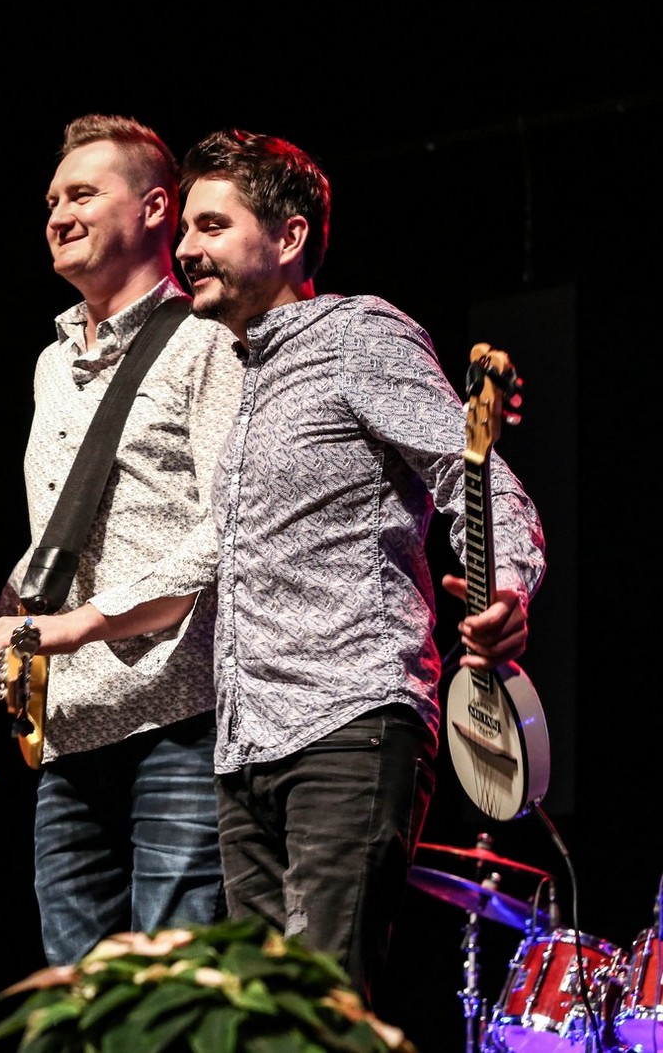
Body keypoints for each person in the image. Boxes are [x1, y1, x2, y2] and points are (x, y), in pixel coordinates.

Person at [171, 128, 546, 1002]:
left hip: (349, 718)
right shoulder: (245, 374)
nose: (186, 249)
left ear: (289, 237)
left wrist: (511, 580)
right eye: (186, 229)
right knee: (260, 1022)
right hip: (246, 744)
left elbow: (473, 470)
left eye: (212, 226)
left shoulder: (358, 335)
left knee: (322, 1010)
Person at [0, 113, 239, 967]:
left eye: (82, 193)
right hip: (69, 729)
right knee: (76, 994)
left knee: (169, 989)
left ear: (157, 208)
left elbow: (224, 530)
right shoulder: (52, 363)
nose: (57, 213)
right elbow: (55, 543)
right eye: (51, 198)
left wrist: (80, 626)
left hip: (180, 716)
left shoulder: (205, 338)